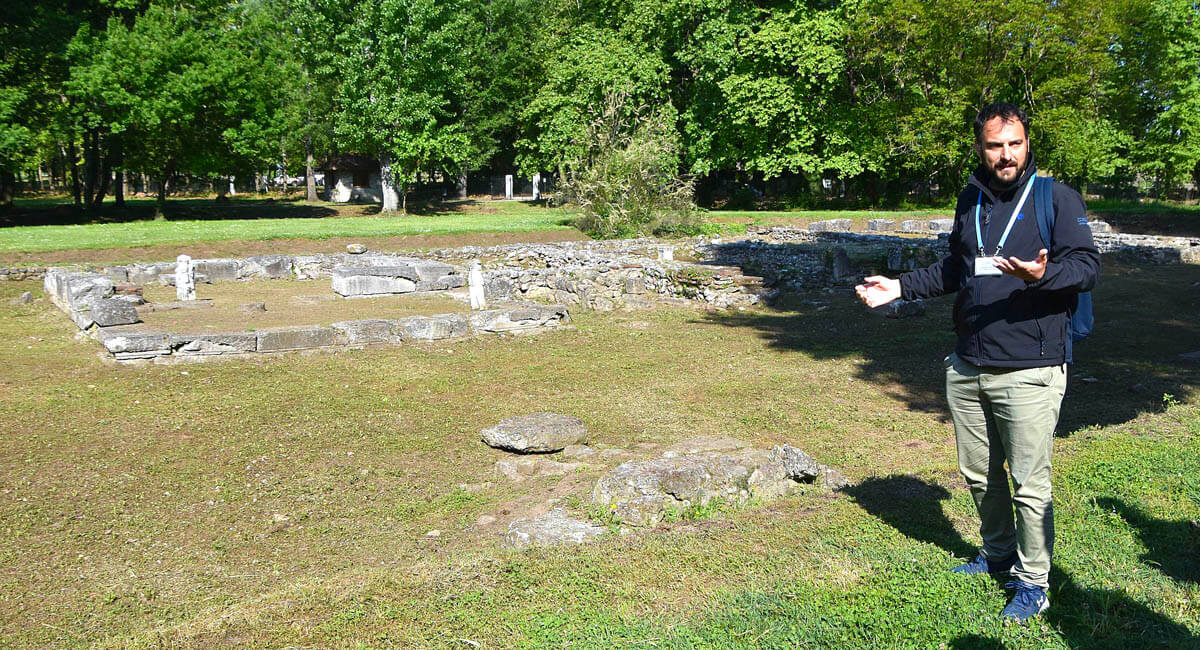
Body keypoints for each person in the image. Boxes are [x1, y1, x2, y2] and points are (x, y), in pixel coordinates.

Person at [855, 102, 1099, 622]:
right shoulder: (971, 199)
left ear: (1028, 143)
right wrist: (899, 286)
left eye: (1014, 143)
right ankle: (997, 554)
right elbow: (957, 268)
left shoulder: (1055, 197)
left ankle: (1034, 582)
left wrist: (1042, 277)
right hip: (968, 362)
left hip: (1031, 366)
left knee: (1030, 484)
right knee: (980, 474)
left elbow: (1086, 267)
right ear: (980, 148)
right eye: (995, 145)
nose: (1006, 155)